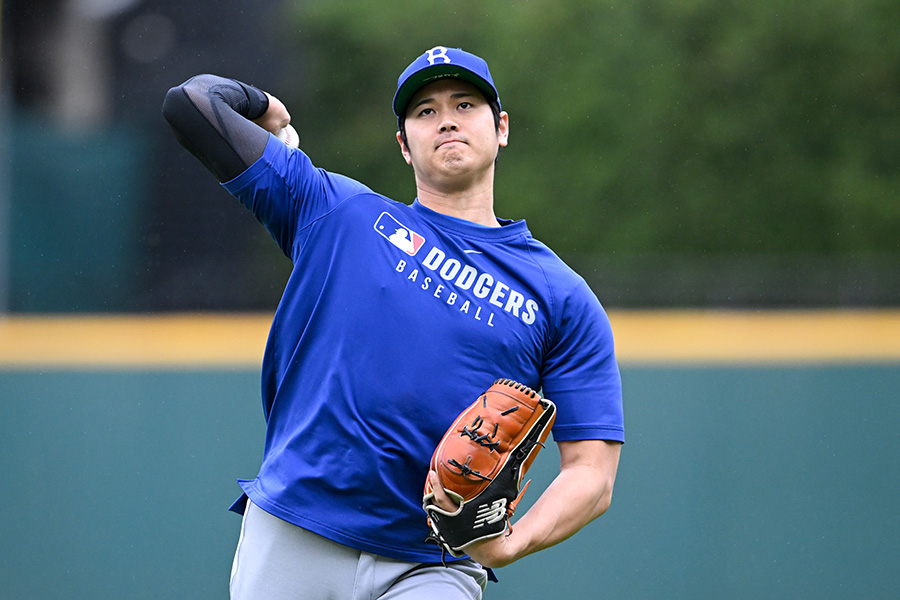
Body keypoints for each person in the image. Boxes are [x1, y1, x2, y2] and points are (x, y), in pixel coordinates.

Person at [162, 45, 624, 599]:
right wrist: (266, 107)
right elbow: (192, 105)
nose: (447, 118)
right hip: (296, 530)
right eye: (425, 110)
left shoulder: (560, 296)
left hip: (432, 563)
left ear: (501, 128)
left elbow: (591, 475)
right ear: (404, 145)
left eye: (465, 104)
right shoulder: (338, 212)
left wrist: (511, 542)